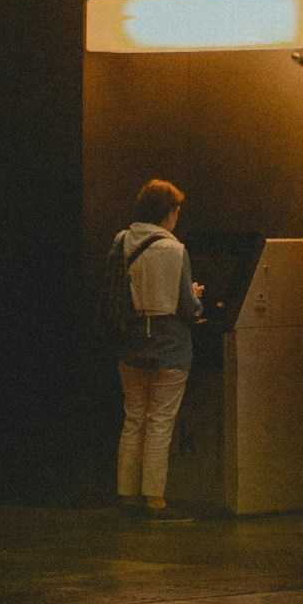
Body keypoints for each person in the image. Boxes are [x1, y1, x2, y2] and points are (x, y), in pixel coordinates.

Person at [112, 176, 202, 512]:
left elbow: (112, 293)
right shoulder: (175, 249)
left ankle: (125, 493)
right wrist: (195, 297)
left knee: (133, 418)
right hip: (170, 346)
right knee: (160, 421)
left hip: (131, 344)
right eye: (176, 211)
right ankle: (154, 498)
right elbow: (188, 309)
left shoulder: (121, 241)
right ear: (167, 213)